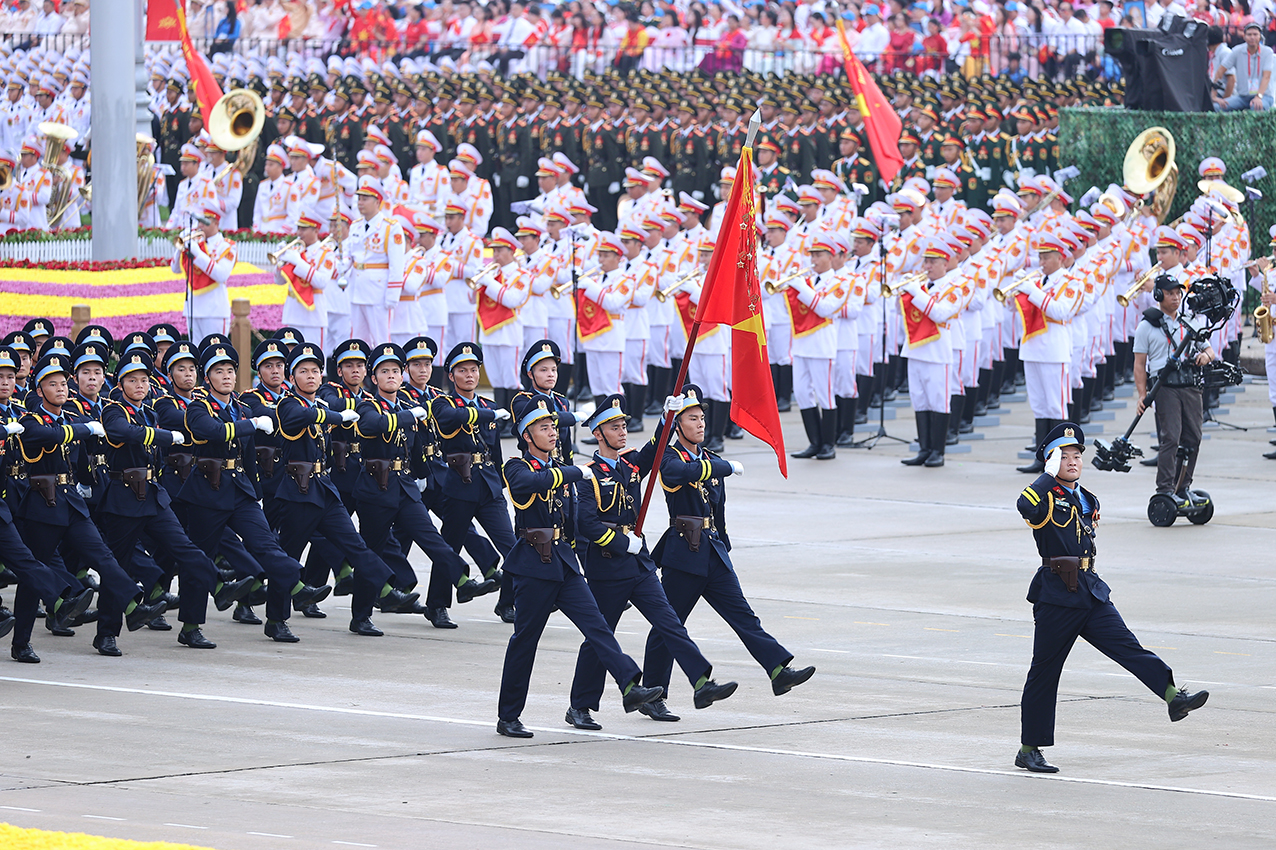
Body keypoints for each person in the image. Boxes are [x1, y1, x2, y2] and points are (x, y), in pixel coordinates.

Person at [1015, 422, 1209, 773]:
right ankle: (1029, 749)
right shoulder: (1041, 495)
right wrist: (1045, 476)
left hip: (1089, 587)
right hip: (1057, 594)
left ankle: (1172, 698)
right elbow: (1024, 505)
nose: (1073, 461)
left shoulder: (1086, 497)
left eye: (1077, 456)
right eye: (1064, 456)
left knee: (1128, 646)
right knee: (1045, 672)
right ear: (1049, 460)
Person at [495, 393, 664, 738]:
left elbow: (574, 522)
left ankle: (630, 686)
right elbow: (530, 484)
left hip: (565, 564)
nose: (553, 433)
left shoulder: (565, 471)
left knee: (598, 627)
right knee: (525, 641)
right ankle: (508, 715)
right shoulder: (517, 466)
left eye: (553, 427)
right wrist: (575, 472)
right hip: (532, 566)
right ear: (527, 436)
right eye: (544, 428)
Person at [566, 393, 737, 728]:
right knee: (601, 635)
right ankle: (580, 706)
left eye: (624, 426)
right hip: (607, 564)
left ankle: (700, 683)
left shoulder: (631, 466)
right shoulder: (587, 475)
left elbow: (655, 450)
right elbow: (585, 523)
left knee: (669, 622)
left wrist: (666, 415)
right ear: (598, 434)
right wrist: (619, 542)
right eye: (614, 427)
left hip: (639, 563)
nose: (623, 432)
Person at [641, 385, 816, 706]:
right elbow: (678, 473)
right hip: (684, 553)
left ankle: (778, 670)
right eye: (692, 419)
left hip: (713, 551)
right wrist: (724, 466)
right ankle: (654, 693)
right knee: (669, 626)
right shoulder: (670, 457)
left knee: (744, 616)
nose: (700, 424)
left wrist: (723, 541)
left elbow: (717, 509)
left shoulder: (709, 457)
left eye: (702, 418)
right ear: (677, 425)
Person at [1132, 274, 1215, 503]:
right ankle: (1165, 489)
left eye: (1178, 293)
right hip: (1165, 387)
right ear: (1158, 295)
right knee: (1171, 437)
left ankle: (1183, 486)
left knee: (1194, 437)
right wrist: (1142, 395)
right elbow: (1139, 365)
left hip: (1190, 385)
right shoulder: (1146, 326)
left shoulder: (1189, 322)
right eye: (1170, 293)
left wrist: (1204, 357)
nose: (1176, 297)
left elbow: (1210, 351)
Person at [170, 199, 236, 341]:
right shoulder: (195, 242)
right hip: (193, 309)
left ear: (216, 223)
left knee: (214, 355)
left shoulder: (226, 246)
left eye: (205, 222)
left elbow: (221, 275)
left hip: (215, 310)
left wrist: (197, 254)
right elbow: (175, 268)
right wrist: (181, 246)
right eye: (199, 221)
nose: (200, 226)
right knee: (195, 356)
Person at [1214, 22, 1273, 111]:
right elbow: (1220, 71)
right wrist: (1214, 96)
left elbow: (1266, 76)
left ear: (1260, 36)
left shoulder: (1267, 52)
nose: (1252, 37)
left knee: (1256, 106)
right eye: (1249, 34)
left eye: (1255, 34)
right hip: (1243, 97)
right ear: (1244, 37)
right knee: (1216, 107)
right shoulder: (1237, 50)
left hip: (1264, 96)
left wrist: (1258, 96)